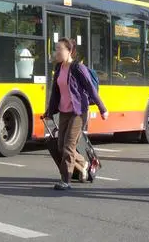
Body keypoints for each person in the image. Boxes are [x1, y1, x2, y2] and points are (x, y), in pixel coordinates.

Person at [44, 38, 108, 190]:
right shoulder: (59, 68)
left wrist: (102, 108)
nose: (56, 52)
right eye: (56, 49)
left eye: (59, 49)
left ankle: (66, 180)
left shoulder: (78, 68)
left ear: (69, 51)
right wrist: (49, 112)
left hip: (78, 112)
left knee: (68, 146)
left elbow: (91, 89)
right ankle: (84, 163)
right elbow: (55, 92)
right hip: (64, 111)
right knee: (61, 146)